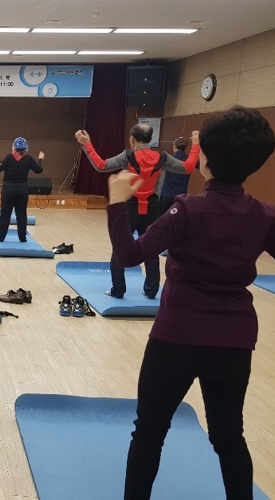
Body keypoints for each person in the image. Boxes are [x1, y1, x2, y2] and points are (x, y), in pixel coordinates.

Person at [105, 106, 275, 500]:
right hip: (234, 340)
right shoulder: (264, 215)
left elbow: (129, 255)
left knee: (150, 431)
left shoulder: (186, 209)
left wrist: (116, 203)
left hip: (176, 337)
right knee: (229, 435)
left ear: (205, 160)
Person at [75, 124, 200, 299]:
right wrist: (196, 144)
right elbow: (188, 167)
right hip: (152, 207)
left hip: (129, 207)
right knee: (151, 249)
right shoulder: (162, 157)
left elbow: (101, 165)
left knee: (120, 248)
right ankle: (151, 291)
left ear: (132, 140)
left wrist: (86, 143)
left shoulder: (127, 156)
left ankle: (118, 290)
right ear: (151, 139)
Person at [0, 137, 44, 242]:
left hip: (8, 189)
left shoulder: (8, 157)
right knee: (21, 214)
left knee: (5, 214)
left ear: (14, 147)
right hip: (23, 190)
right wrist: (40, 159)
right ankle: (22, 237)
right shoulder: (29, 158)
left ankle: (1, 237)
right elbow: (39, 170)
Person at [159, 137, 192, 213]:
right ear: (186, 147)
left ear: (174, 146)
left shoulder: (169, 160)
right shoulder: (190, 161)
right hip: (182, 195)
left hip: (167, 194)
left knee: (164, 217)